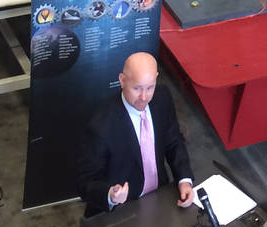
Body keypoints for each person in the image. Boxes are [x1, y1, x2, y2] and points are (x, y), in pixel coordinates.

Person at [77, 52, 195, 218]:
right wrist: (111, 194)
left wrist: (184, 180)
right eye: (137, 88)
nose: (144, 97)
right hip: (122, 211)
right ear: (122, 80)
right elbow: (84, 182)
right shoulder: (101, 125)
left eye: (150, 87)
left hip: (158, 197)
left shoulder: (162, 97)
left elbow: (173, 141)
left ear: (156, 78)